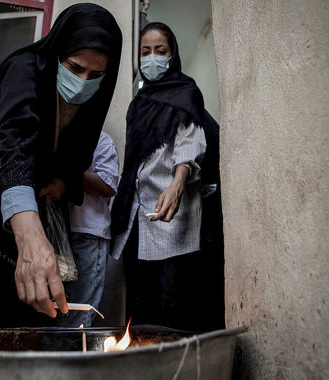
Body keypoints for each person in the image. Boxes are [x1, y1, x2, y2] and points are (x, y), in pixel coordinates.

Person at [0, 3, 122, 328]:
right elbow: (13, 142)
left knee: (12, 321)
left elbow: (69, 160)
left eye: (95, 75)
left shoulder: (88, 103)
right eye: (74, 68)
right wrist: (30, 235)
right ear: (58, 52)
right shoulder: (24, 68)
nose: (83, 82)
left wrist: (64, 183)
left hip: (11, 222)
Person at [111, 22, 224, 332]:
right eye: (145, 52)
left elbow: (190, 142)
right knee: (139, 301)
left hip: (173, 210)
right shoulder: (138, 105)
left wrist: (177, 184)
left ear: (172, 54)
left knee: (173, 300)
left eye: (160, 51)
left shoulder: (186, 92)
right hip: (137, 214)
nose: (152, 58)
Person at [57, 131, 118, 327]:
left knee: (78, 315)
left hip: (88, 235)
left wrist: (67, 175)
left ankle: (75, 357)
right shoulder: (58, 136)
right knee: (57, 313)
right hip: (59, 236)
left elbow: (108, 185)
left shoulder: (101, 139)